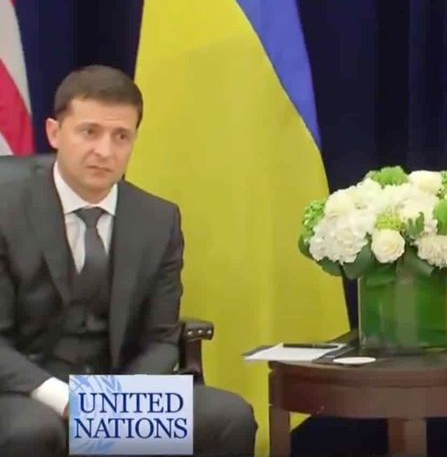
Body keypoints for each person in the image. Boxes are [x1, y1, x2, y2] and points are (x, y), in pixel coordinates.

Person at [0, 65, 257, 456]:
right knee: (33, 433)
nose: (105, 151)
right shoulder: (7, 210)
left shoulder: (158, 220)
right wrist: (64, 399)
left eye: (121, 136)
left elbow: (161, 339)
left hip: (120, 390)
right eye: (89, 132)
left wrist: (115, 402)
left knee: (229, 417)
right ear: (54, 133)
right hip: (28, 391)